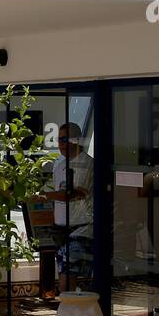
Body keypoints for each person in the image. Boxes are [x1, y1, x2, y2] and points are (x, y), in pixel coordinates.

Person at [44, 122, 94, 293]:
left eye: (66, 139)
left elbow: (73, 194)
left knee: (67, 282)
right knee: (65, 281)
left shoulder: (86, 163)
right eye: (59, 140)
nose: (61, 144)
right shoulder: (59, 164)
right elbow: (53, 192)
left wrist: (43, 195)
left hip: (80, 230)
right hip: (61, 231)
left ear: (77, 140)